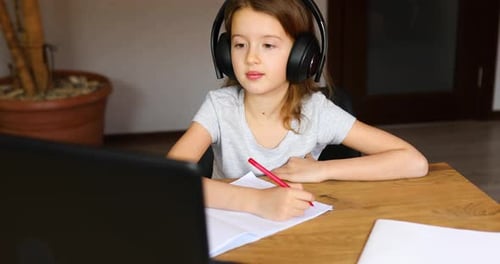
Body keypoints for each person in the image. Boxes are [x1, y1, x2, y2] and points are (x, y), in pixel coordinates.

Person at [167, 0, 428, 221]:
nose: (251, 58)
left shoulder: (317, 112)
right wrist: (257, 202)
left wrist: (322, 170)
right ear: (224, 53)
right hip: (232, 227)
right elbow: (169, 179)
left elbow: (413, 162)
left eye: (268, 45)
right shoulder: (219, 107)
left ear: (303, 56)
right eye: (239, 45)